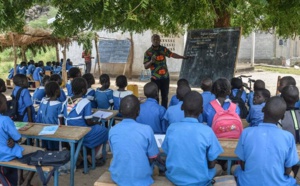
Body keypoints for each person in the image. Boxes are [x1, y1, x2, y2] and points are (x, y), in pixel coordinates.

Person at [162, 91, 224, 185]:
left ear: (182, 107)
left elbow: (168, 153)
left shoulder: (172, 128)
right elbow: (211, 165)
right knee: (218, 168)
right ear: (202, 110)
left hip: (175, 178)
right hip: (200, 181)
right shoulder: (207, 131)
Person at [234, 96, 299, 186]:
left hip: (248, 183)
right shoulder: (288, 137)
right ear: (283, 117)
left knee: (235, 169)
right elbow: (287, 171)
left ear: (263, 109)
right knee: (291, 176)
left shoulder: (246, 133)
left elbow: (243, 165)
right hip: (278, 184)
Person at [109, 95, 159, 185]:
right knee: (157, 166)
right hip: (142, 178)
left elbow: (116, 153)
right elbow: (153, 157)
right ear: (138, 112)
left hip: (119, 177)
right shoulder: (147, 129)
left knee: (112, 161)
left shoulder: (113, 130)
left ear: (120, 111)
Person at [62, 77, 108, 161]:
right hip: (82, 131)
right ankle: (92, 153)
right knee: (104, 130)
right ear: (83, 90)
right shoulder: (85, 102)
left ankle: (86, 152)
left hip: (69, 130)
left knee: (96, 130)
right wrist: (97, 122)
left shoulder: (67, 101)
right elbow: (89, 122)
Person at [144, 34, 188, 109]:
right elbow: (145, 66)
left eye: (157, 39)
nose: (156, 41)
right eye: (154, 39)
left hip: (165, 77)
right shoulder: (148, 52)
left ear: (160, 40)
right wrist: (151, 61)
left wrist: (182, 57)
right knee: (155, 97)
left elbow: (172, 54)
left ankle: (164, 111)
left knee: (165, 96)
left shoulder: (163, 49)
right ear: (151, 40)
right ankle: (156, 111)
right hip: (155, 78)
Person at [0, 94, 24, 186]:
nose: (6, 105)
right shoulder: (5, 120)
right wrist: (13, 140)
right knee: (11, 178)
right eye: (5, 103)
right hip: (6, 155)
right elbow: (18, 138)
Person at [36, 81, 64, 150]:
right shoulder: (59, 105)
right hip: (55, 132)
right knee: (55, 149)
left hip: (43, 131)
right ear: (57, 91)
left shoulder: (43, 102)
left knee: (45, 147)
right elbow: (61, 121)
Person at [280, 85, 300, 176]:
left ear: (282, 98)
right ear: (298, 99)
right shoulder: (299, 113)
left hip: (284, 152)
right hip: (297, 154)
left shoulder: (279, 115)